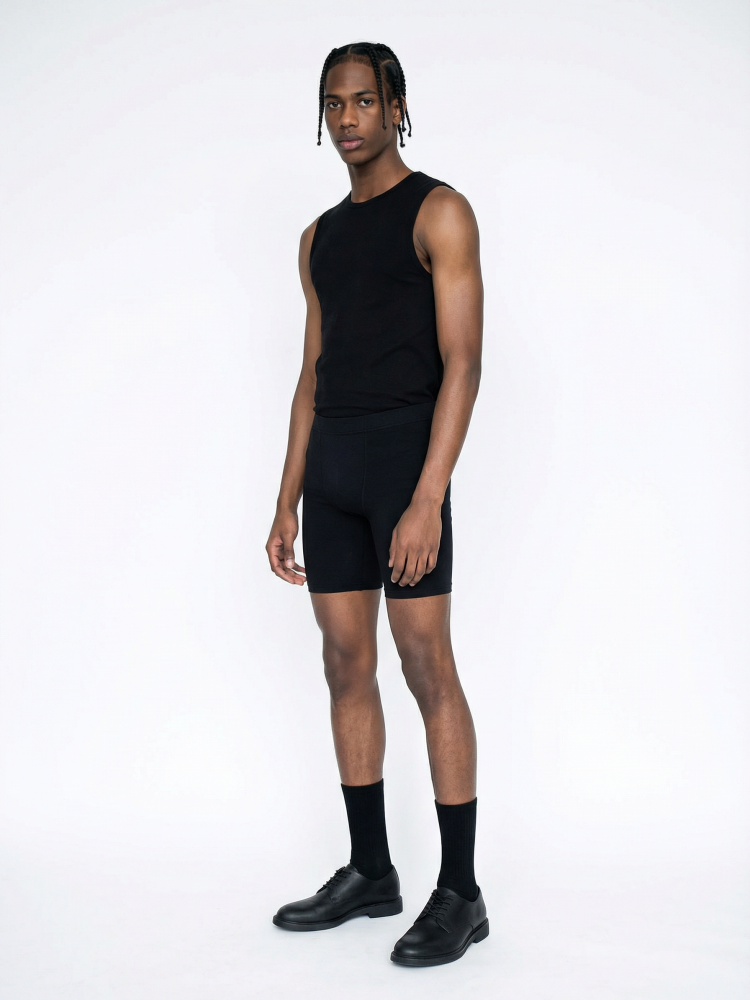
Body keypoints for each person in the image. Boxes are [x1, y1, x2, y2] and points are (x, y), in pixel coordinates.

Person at [265, 41, 486, 967]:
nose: (348, 117)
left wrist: (428, 496)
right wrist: (286, 499)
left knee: (426, 664)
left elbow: (463, 363)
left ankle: (461, 892)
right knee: (344, 663)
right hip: (334, 471)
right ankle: (371, 871)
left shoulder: (440, 212)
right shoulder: (317, 238)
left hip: (404, 466)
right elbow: (311, 373)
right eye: (334, 103)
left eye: (364, 100)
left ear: (397, 107)